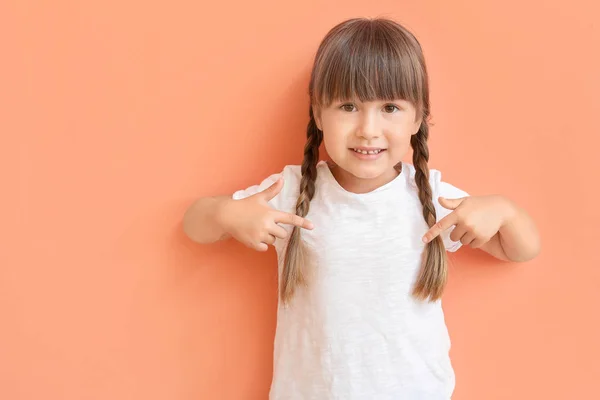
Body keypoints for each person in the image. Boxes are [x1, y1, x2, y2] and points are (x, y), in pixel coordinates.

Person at [183, 17, 541, 400]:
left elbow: (520, 249)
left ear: (418, 118)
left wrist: (504, 210)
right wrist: (226, 214)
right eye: (348, 106)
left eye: (389, 107)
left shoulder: (434, 198)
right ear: (319, 114)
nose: (368, 129)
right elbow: (194, 224)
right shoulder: (290, 191)